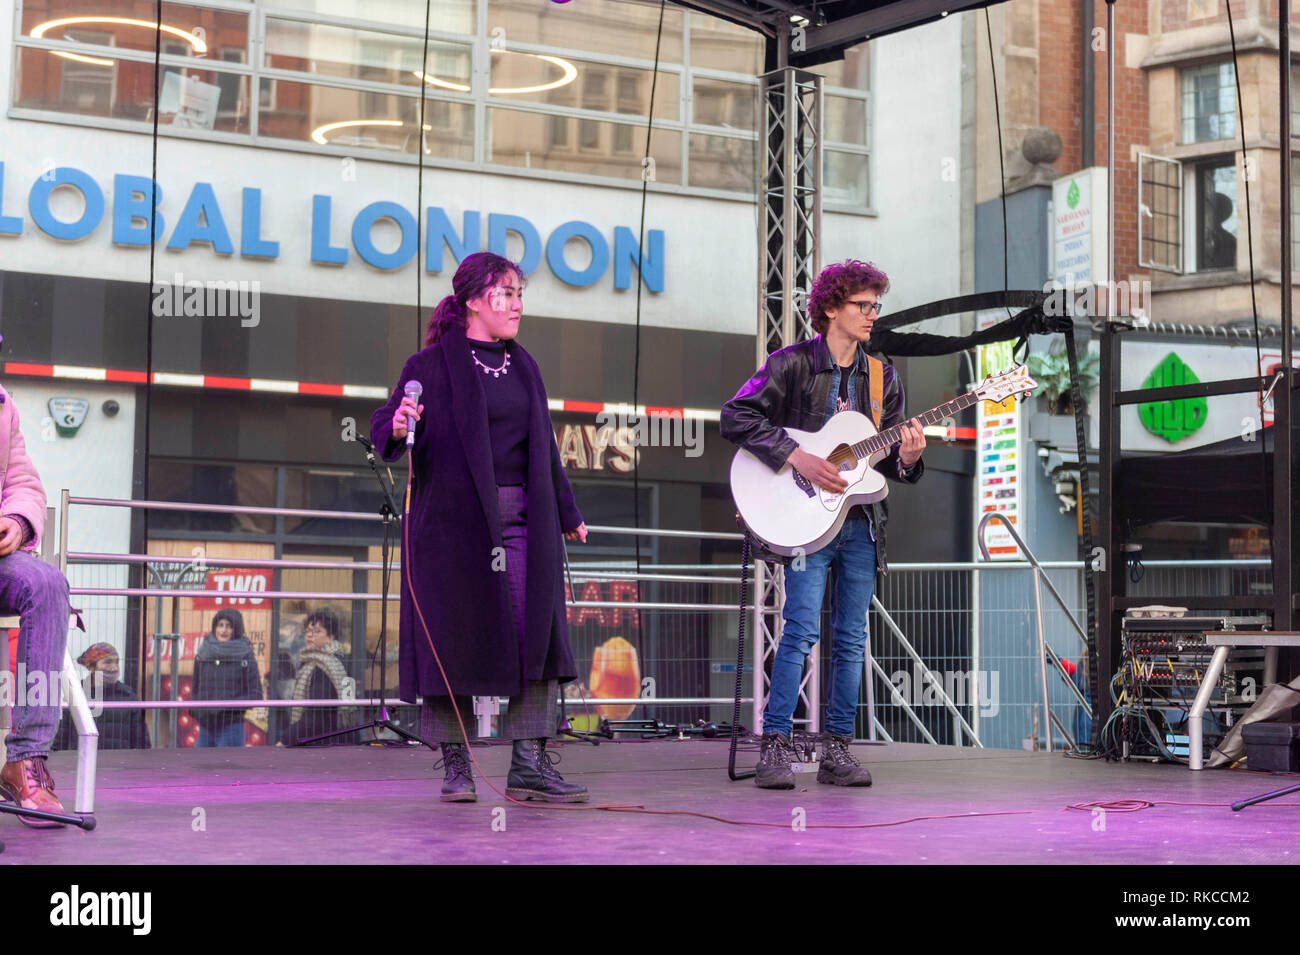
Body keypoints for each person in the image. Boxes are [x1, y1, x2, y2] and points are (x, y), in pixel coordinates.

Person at [370, 250, 590, 804]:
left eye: (519, 294)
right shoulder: (429, 367)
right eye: (505, 293)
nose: (516, 304)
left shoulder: (525, 366)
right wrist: (398, 425)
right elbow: (387, 430)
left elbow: (545, 450)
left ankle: (529, 764)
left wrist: (567, 512)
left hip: (523, 522)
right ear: (472, 300)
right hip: (454, 526)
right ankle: (456, 766)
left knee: (534, 633)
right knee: (454, 638)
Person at [721, 259, 926, 790]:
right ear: (831, 307)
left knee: (851, 638)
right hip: (807, 521)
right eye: (863, 305)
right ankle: (774, 747)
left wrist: (907, 457)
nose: (872, 315)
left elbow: (892, 469)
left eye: (876, 305)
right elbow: (735, 415)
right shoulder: (790, 365)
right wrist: (797, 456)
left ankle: (837, 750)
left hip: (861, 525)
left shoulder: (883, 378)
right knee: (800, 630)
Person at [0, 377, 73, 827]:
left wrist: (16, 522)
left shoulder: (3, 406)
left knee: (48, 584)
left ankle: (25, 760)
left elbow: (23, 482)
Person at [279, 609, 356, 745]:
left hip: (324, 742)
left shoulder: (324, 667)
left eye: (317, 631)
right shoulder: (331, 662)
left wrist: (286, 739)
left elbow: (315, 718)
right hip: (328, 740)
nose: (309, 635)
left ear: (331, 637)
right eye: (308, 631)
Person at [54, 643, 150, 751]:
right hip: (83, 762)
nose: (114, 668)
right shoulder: (76, 694)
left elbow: (141, 741)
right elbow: (61, 738)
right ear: (91, 667)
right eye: (107, 662)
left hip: (119, 764)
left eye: (116, 662)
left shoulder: (128, 696)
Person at [190, 609, 262, 747]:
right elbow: (195, 690)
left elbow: (256, 695)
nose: (223, 630)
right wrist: (197, 710)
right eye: (220, 625)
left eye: (229, 626)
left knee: (226, 768)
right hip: (205, 727)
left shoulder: (245, 656)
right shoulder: (203, 653)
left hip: (230, 728)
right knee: (198, 767)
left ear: (236, 629)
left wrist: (225, 706)